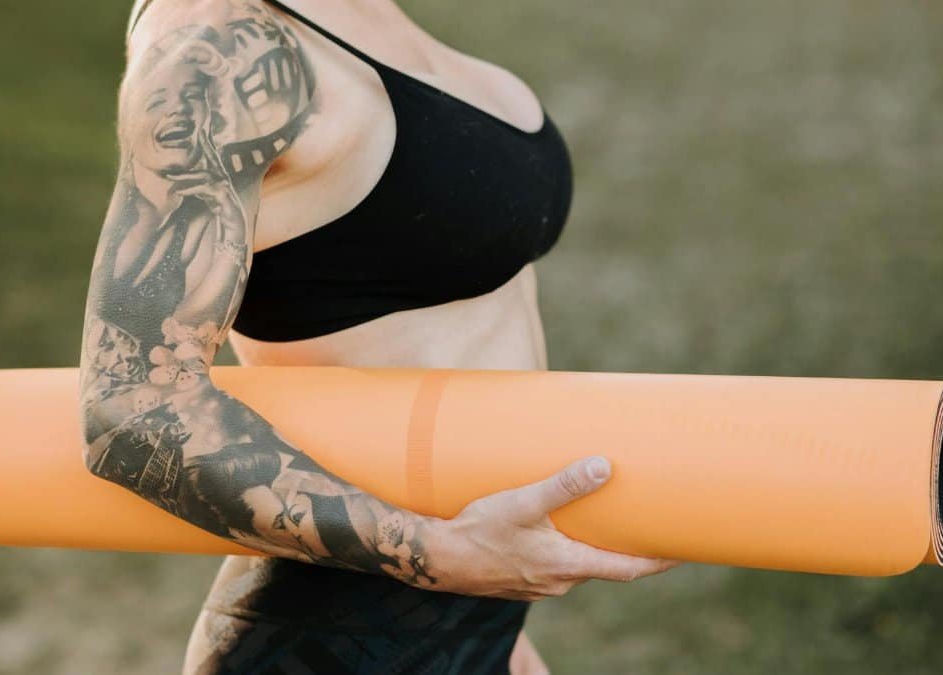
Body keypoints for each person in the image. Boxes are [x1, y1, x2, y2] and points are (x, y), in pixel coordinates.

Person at [78, 1, 679, 672]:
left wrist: (491, 627)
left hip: (461, 621)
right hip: (344, 628)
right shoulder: (218, 47)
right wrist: (438, 554)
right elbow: (132, 406)